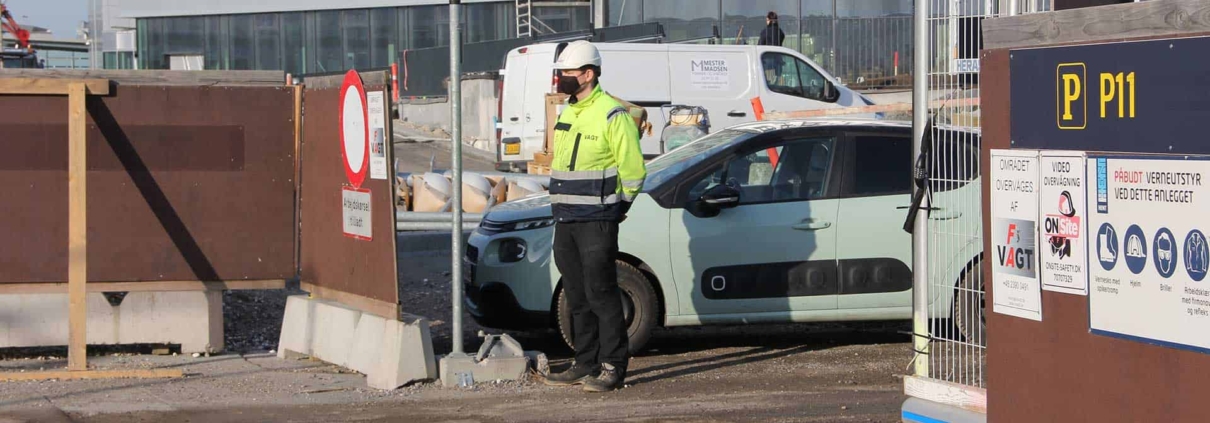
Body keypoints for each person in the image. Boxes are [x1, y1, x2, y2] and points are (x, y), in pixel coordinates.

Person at [540, 41, 647, 393]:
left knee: (601, 293)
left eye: (568, 73)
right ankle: (584, 362)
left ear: (588, 74)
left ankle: (613, 365)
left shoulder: (612, 114)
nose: (562, 79)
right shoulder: (568, 111)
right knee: (576, 294)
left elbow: (633, 172)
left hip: (597, 221)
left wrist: (618, 209)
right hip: (566, 220)